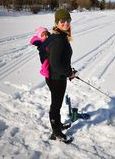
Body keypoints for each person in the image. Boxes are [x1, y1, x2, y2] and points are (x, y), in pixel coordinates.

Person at [45, 9, 76, 142]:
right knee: (55, 106)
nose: (65, 23)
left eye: (68, 20)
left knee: (57, 104)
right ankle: (56, 132)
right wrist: (68, 72)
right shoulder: (58, 39)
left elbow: (62, 60)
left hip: (59, 77)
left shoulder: (61, 36)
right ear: (57, 22)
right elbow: (55, 64)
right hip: (56, 78)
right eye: (62, 21)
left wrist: (69, 71)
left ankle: (58, 126)